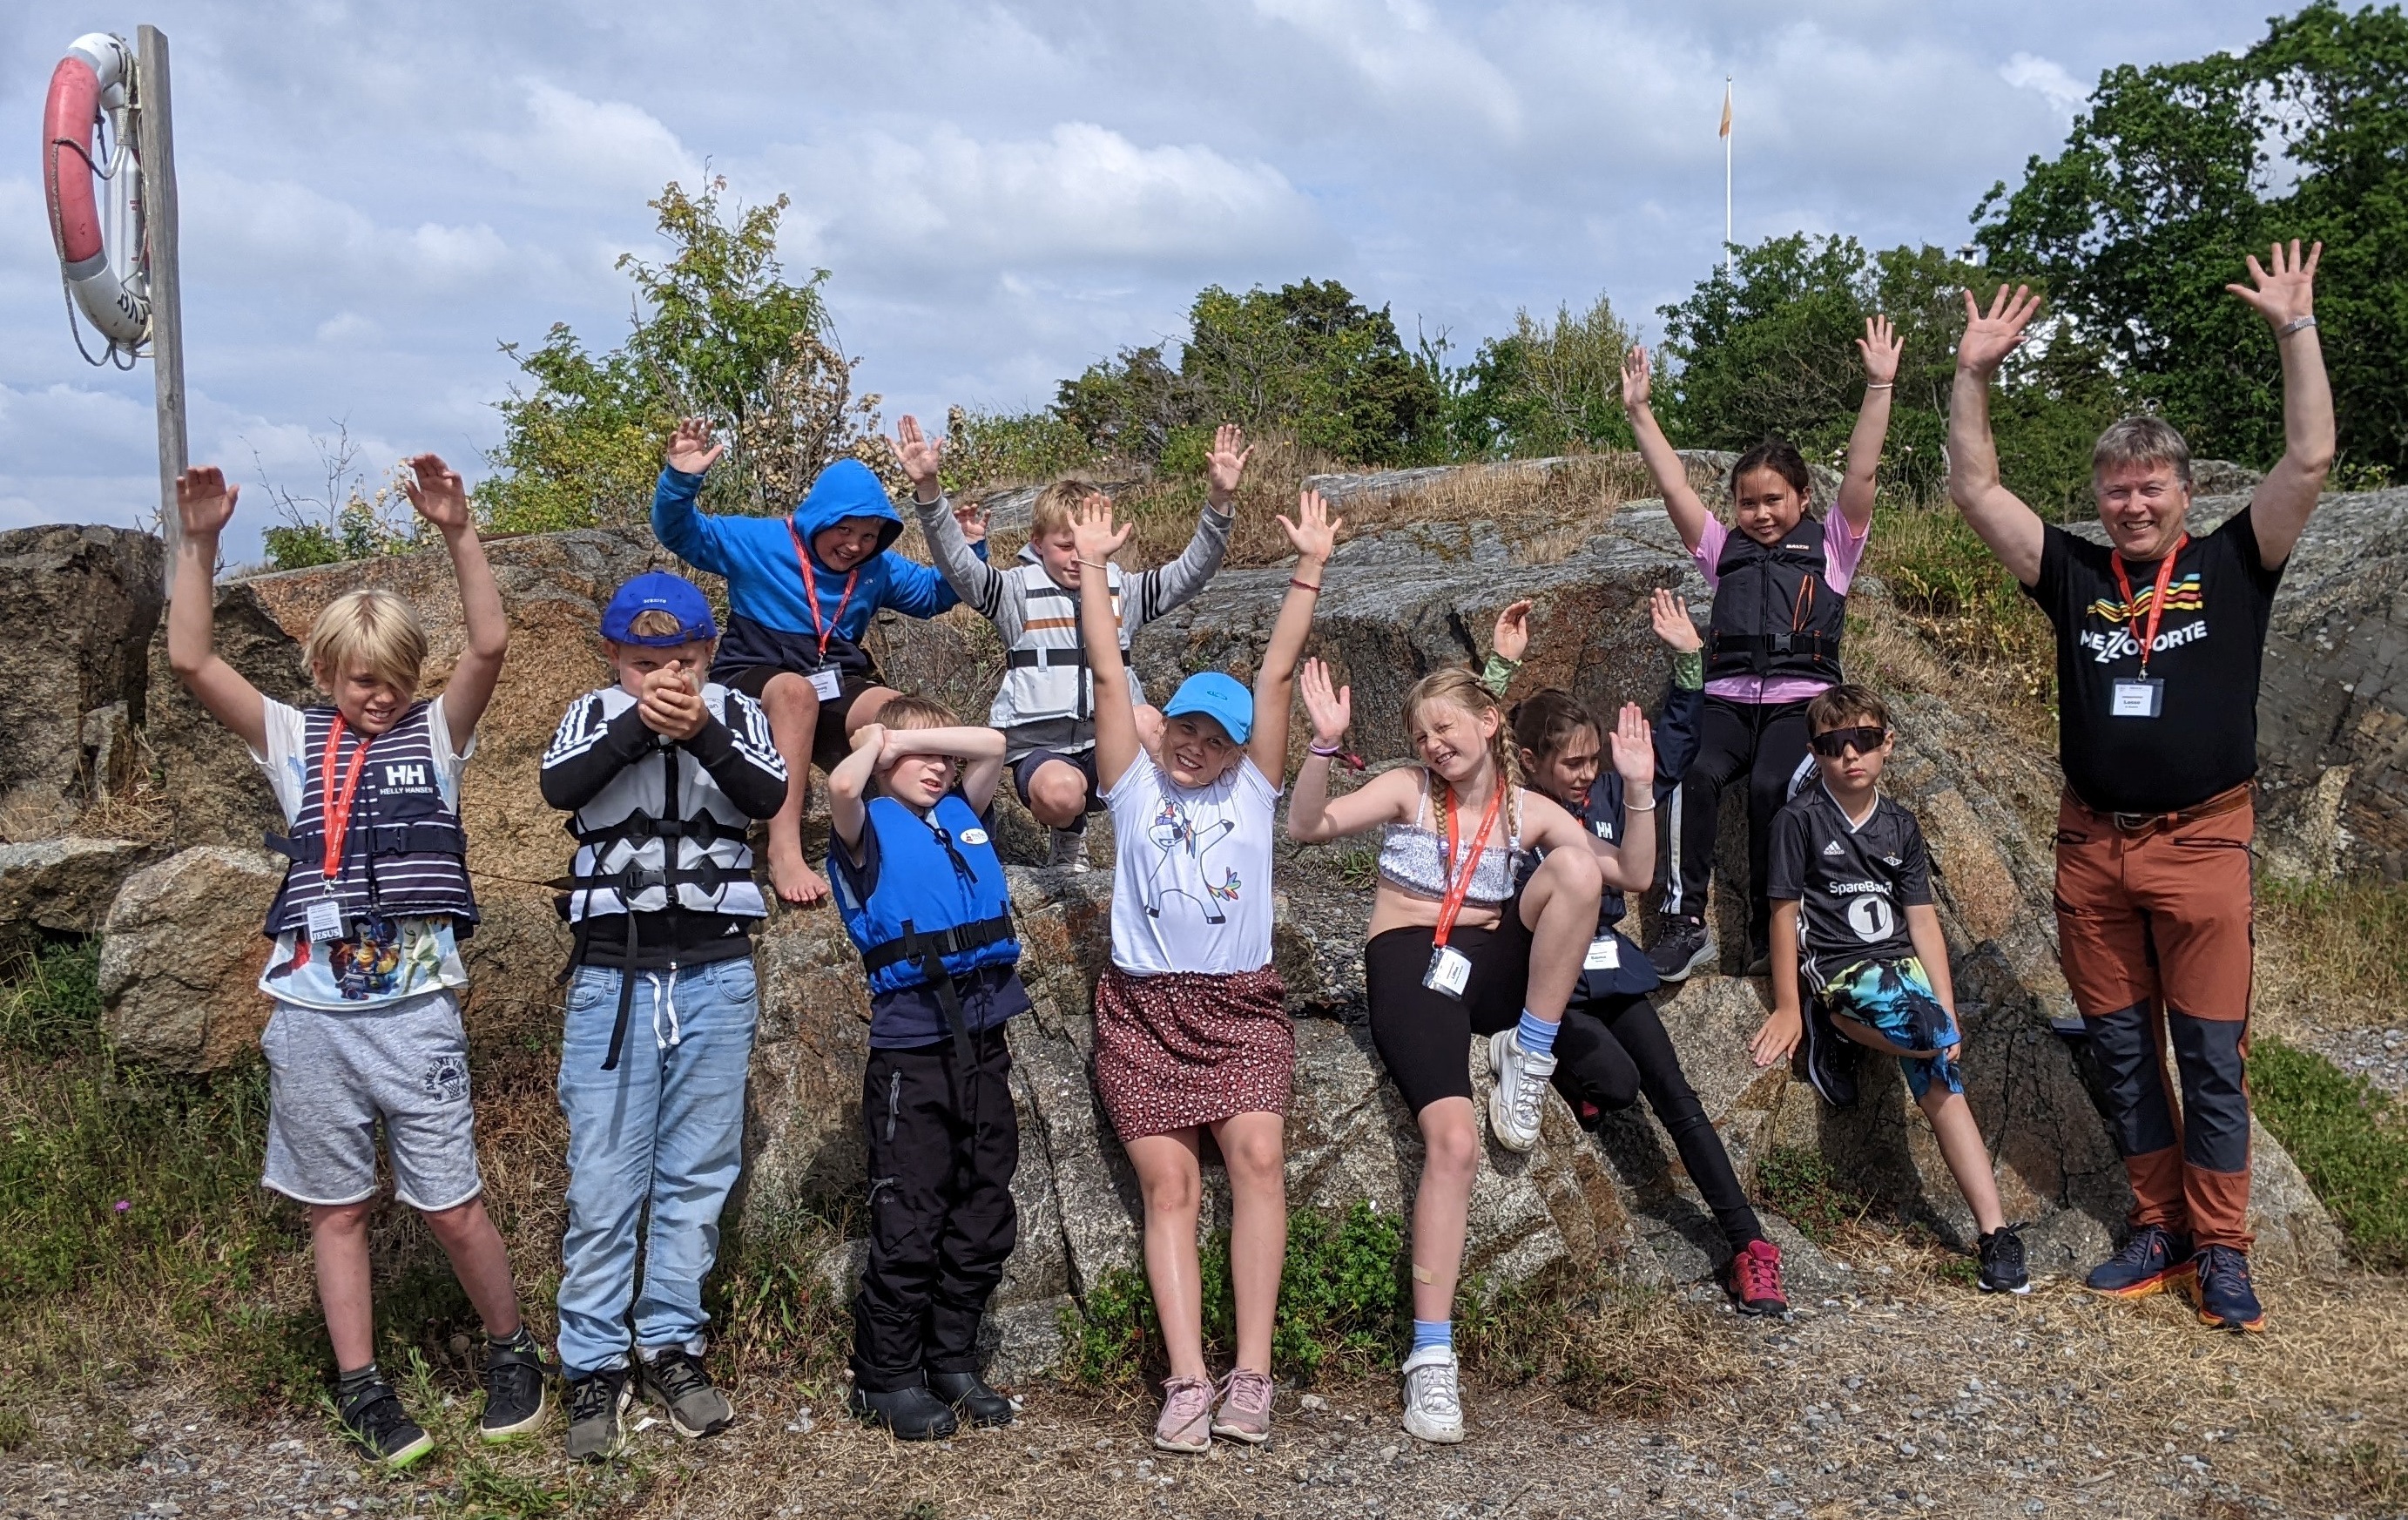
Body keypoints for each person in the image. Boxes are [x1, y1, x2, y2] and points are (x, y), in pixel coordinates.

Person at [1946, 242, 2334, 1333]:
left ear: (2182, 491)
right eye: (2113, 488)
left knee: (2209, 1053)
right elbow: (1972, 487)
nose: (2129, 503)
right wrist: (1972, 373)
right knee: (2121, 1051)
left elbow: (2306, 462)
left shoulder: (2230, 561)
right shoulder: (2071, 574)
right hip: (2091, 850)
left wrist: (2292, 331)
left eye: (2147, 486)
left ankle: (2221, 1247)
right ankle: (2156, 1227)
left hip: (2202, 843)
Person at [165, 457, 543, 1468]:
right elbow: (194, 659)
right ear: (327, 677)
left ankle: (514, 1350)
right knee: (338, 1209)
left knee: (452, 1202)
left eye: (393, 678)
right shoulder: (291, 739)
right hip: (312, 1016)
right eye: (360, 678)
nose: (378, 696)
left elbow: (493, 643)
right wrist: (199, 544)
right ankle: (361, 1383)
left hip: (416, 1012)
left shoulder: (437, 732)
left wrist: (460, 531)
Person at [1068, 490, 1333, 1452]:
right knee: (1168, 1190)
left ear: (1237, 747)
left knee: (1258, 1160)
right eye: (1184, 725)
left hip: (1239, 1004)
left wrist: (1307, 566)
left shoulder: (1256, 789)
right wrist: (1095, 565)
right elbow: (1106, 670)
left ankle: (1251, 1373)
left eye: (1213, 736)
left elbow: (1273, 674)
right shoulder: (1132, 782)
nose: (1193, 744)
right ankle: (1186, 1378)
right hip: (1141, 1010)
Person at [1287, 658, 1604, 1444]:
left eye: (1445, 727)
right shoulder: (1406, 791)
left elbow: (1619, 873)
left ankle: (1526, 1053)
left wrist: (1633, 789)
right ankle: (1431, 1355)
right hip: (1409, 959)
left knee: (1572, 867)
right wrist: (1323, 747)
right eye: (1420, 734)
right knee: (1455, 1141)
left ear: (1490, 722)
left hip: (1490, 964)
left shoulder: (1524, 806)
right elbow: (1305, 826)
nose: (1432, 744)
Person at [537, 571, 789, 1462]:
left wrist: (702, 729)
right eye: (643, 662)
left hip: (717, 966)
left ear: (708, 654)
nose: (663, 675)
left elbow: (764, 797)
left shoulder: (743, 712)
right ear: (615, 657)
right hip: (615, 973)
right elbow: (559, 786)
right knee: (604, 1177)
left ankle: (672, 1345)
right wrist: (640, 723)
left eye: (679, 659)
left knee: (697, 1171)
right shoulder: (590, 711)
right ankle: (593, 1364)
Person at [1484, 590, 1789, 1315]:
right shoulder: (1510, 807)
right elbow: (1464, 741)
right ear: (1530, 762)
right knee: (1616, 1086)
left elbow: (1673, 747)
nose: (1586, 774)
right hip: (1544, 980)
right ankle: (1568, 1079)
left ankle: (1749, 1245)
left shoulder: (1610, 794)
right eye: (1570, 764)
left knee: (1676, 1096)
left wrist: (1688, 663)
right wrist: (1498, 669)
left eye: (1593, 761)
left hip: (1607, 964)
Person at [1621, 319, 1904, 982]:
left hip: (1798, 708)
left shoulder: (1834, 546)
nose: (1760, 513)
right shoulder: (1725, 552)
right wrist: (1639, 412)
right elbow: (1674, 489)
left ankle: (1766, 934)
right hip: (1724, 700)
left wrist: (1879, 383)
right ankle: (1685, 923)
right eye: (1747, 503)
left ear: (1803, 498)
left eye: (1773, 500)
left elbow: (1862, 467)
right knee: (1694, 773)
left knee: (1773, 788)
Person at [1749, 685, 2028, 1296]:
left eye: (1864, 740)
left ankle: (1994, 1233)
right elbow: (1782, 914)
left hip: (1900, 974)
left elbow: (1921, 920)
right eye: (1833, 744)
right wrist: (1790, 1007)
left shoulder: (1899, 825)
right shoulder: (1798, 820)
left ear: (1887, 744)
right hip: (1840, 968)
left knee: (1940, 1070)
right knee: (1927, 1037)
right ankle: (1832, 1027)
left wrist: (1946, 1007)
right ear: (1814, 753)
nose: (1850, 754)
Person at [651, 418, 988, 906]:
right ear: (817, 518)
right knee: (795, 691)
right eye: (844, 529)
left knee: (898, 710)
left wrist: (969, 545)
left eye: (870, 535)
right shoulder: (758, 542)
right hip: (756, 676)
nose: (855, 545)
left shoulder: (876, 569)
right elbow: (679, 532)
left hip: (836, 678)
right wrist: (681, 478)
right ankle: (784, 850)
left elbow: (938, 594)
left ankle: (925, 835)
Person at [899, 415, 1248, 868]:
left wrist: (1220, 501)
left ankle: (1169, 833)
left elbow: (1192, 572)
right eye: (1066, 545)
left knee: (1146, 719)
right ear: (1037, 544)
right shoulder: (1013, 592)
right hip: (1041, 752)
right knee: (1062, 795)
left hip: (1110, 742)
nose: (1079, 558)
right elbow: (958, 567)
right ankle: (1068, 835)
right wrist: (929, 491)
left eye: (1088, 545)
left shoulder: (1127, 590)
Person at [824, 696, 1027, 1439]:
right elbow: (842, 789)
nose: (940, 766)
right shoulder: (863, 825)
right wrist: (876, 744)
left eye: (945, 756)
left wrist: (911, 738)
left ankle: (952, 1359)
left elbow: (994, 740)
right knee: (910, 1214)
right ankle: (886, 1376)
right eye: (920, 757)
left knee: (981, 1204)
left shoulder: (959, 812)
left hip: (984, 1039)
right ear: (880, 761)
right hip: (912, 1047)